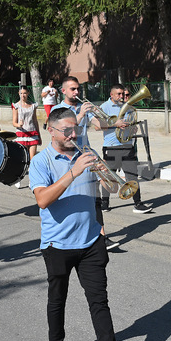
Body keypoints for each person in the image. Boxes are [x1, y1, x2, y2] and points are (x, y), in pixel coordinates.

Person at [29, 107, 149, 341]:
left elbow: (110, 190)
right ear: (51, 130)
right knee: (57, 300)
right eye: (67, 131)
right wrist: (73, 172)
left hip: (91, 240)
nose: (74, 135)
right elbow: (42, 200)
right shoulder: (41, 161)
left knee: (99, 302)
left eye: (76, 129)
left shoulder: (86, 152)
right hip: (58, 244)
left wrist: (105, 175)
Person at [52, 77, 119, 250]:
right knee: (71, 199)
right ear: (63, 91)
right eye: (73, 89)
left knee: (95, 197)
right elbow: (66, 132)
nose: (77, 92)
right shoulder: (57, 110)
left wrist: (108, 119)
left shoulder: (82, 107)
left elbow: (98, 125)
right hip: (67, 159)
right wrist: (81, 115)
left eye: (78, 89)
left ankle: (102, 237)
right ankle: (72, 235)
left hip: (85, 154)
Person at [99, 85, 151, 213]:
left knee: (132, 176)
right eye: (118, 94)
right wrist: (115, 124)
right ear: (111, 94)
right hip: (111, 147)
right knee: (109, 176)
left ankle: (138, 203)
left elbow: (130, 123)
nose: (122, 96)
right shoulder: (104, 107)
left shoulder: (129, 107)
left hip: (127, 146)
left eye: (123, 94)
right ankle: (105, 202)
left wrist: (132, 128)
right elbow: (98, 126)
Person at [11, 86, 42, 176]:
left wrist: (39, 135)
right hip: (21, 134)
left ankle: (32, 177)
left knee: (33, 158)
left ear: (28, 93)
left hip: (32, 133)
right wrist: (19, 125)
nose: (23, 95)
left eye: (24, 93)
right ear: (18, 94)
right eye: (21, 93)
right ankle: (19, 175)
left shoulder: (33, 105)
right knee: (23, 158)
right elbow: (14, 122)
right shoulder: (16, 106)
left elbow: (35, 120)